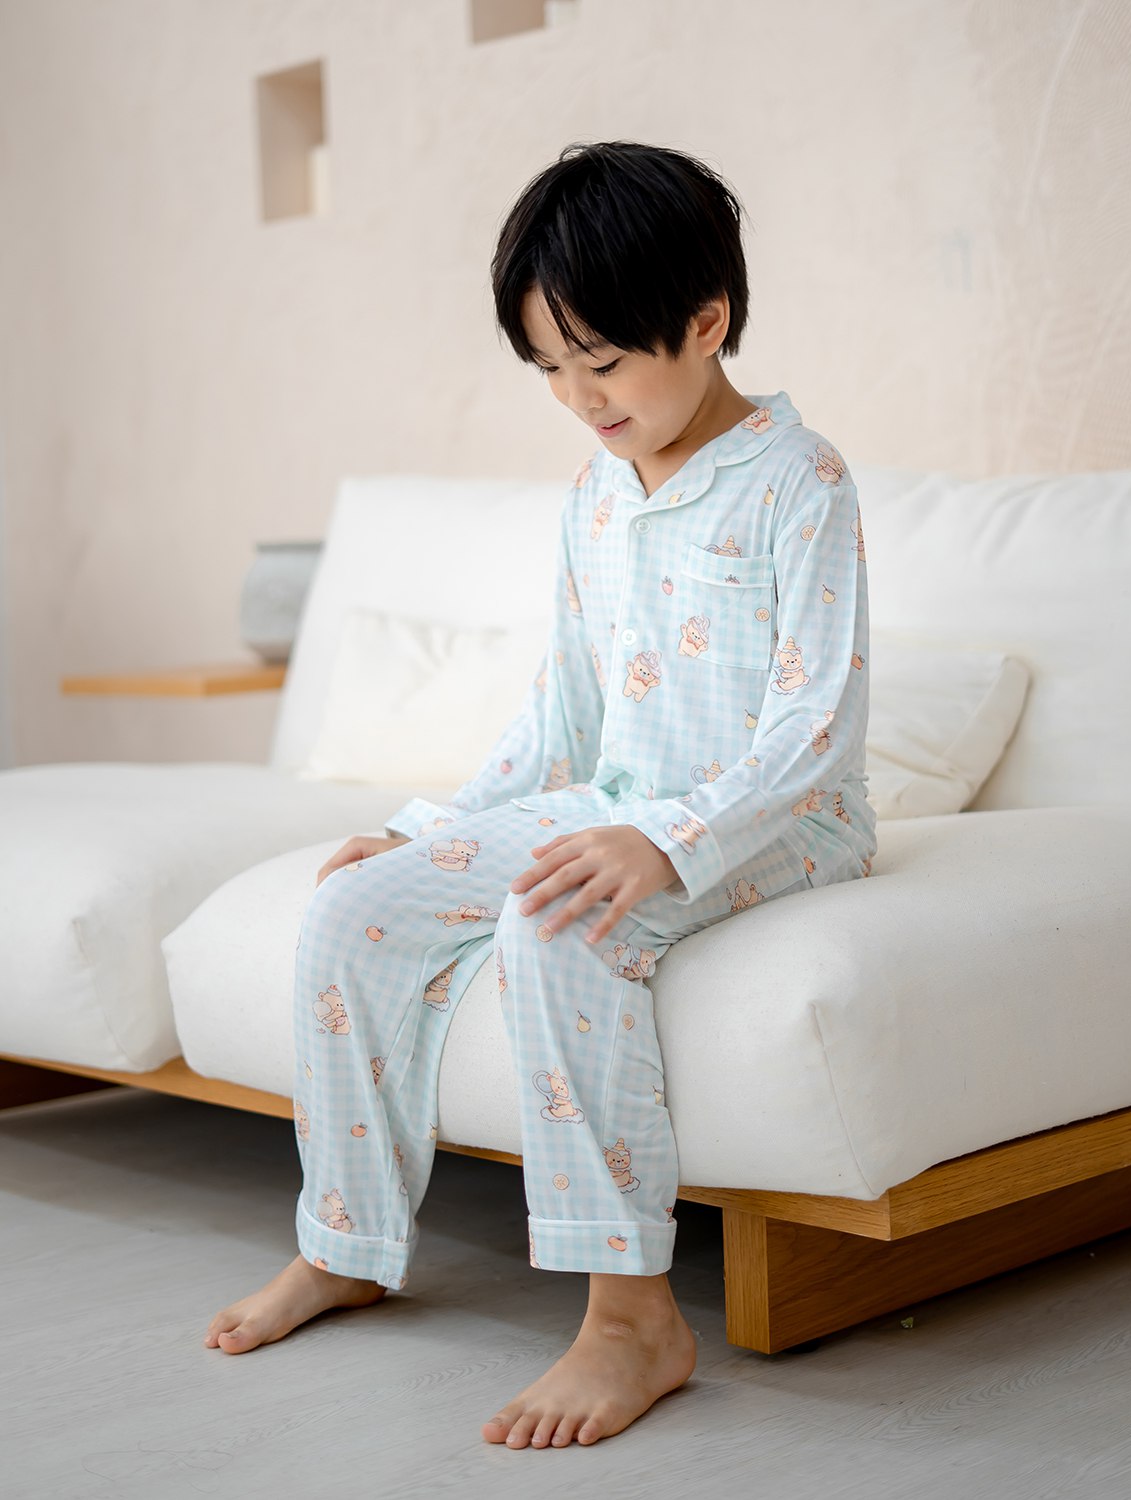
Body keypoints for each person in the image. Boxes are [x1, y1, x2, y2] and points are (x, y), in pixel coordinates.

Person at [203, 139, 876, 1449]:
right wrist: (421, 833)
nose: (578, 397)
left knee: (557, 920)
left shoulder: (803, 481)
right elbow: (564, 718)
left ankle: (633, 1318)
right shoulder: (595, 495)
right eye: (550, 369)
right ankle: (345, 1241)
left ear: (708, 322)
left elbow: (817, 727)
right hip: (620, 799)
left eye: (604, 363)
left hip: (780, 823)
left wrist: (671, 843)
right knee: (356, 912)